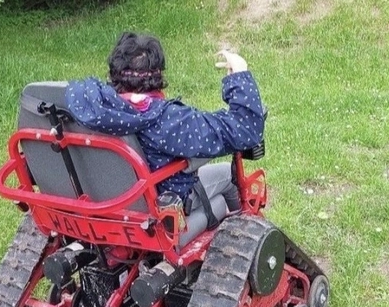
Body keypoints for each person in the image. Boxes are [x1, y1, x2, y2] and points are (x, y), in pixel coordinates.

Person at [65, 32, 265, 216]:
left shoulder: (84, 105)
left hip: (100, 202)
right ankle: (239, 230)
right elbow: (245, 129)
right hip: (162, 208)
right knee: (226, 175)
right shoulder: (166, 120)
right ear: (158, 74)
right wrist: (239, 74)